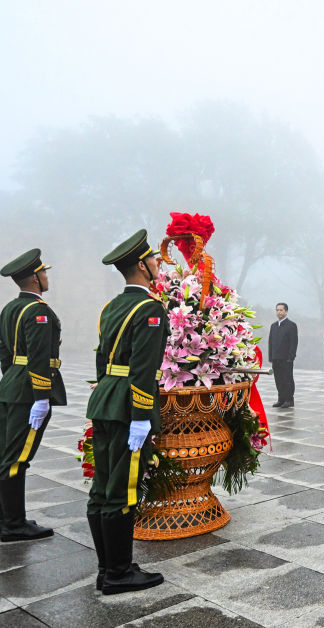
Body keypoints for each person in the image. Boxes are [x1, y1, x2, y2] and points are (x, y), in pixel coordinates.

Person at [86, 229, 168, 594]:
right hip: (127, 408)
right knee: (123, 487)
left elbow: (102, 359)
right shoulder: (149, 309)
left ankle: (107, 568)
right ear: (142, 266)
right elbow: (144, 369)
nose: (156, 263)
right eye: (152, 259)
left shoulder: (111, 307)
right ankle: (119, 574)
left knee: (102, 487)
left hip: (106, 399)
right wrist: (140, 416)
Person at [0, 249, 65, 542]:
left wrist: (12, 378)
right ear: (35, 278)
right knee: (17, 459)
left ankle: (5, 519)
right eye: (44, 272)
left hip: (11, 386)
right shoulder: (39, 311)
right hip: (29, 393)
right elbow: (39, 357)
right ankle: (14, 524)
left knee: (6, 455)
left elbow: (4, 352)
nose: (47, 277)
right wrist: (41, 396)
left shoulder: (9, 309)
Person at [268, 302, 298, 408]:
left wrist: (291, 357)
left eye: (281, 310)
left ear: (286, 311)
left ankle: (289, 400)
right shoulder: (273, 326)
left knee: (287, 379)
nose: (279, 312)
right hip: (276, 358)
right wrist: (271, 356)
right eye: (277, 310)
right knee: (278, 379)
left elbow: (294, 342)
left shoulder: (291, 325)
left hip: (286, 358)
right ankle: (281, 399)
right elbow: (270, 342)